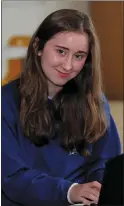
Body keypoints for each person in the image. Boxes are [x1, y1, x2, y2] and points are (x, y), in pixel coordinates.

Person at [2, 9, 121, 206]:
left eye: (79, 56)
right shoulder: (4, 103)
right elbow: (11, 178)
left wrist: (99, 187)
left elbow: (108, 162)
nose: (68, 65)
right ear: (38, 47)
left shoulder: (95, 101)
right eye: (61, 51)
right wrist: (70, 191)